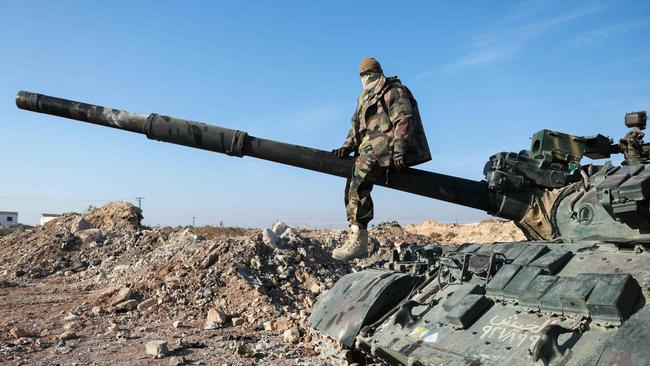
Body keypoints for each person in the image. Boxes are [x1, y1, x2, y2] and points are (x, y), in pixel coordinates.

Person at [331, 57, 431, 261]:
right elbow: (356, 127)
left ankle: (359, 240)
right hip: (371, 148)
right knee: (353, 183)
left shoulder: (392, 89)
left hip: (386, 146)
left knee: (359, 179)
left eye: (367, 74)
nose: (364, 78)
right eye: (362, 75)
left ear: (376, 73)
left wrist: (400, 151)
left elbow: (404, 119)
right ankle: (356, 233)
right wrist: (346, 146)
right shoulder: (364, 97)